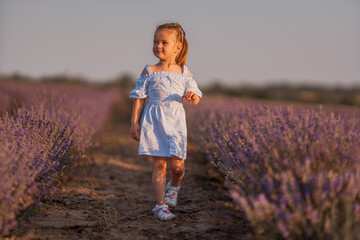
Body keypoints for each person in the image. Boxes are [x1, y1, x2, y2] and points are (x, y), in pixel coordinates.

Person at [129, 23, 202, 221]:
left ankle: (174, 186)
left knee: (177, 167)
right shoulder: (149, 70)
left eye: (163, 42)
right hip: (154, 123)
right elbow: (139, 97)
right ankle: (160, 205)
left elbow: (196, 97)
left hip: (176, 125)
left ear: (177, 47)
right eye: (155, 42)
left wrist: (191, 95)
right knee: (159, 166)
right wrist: (134, 123)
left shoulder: (185, 72)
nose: (158, 46)